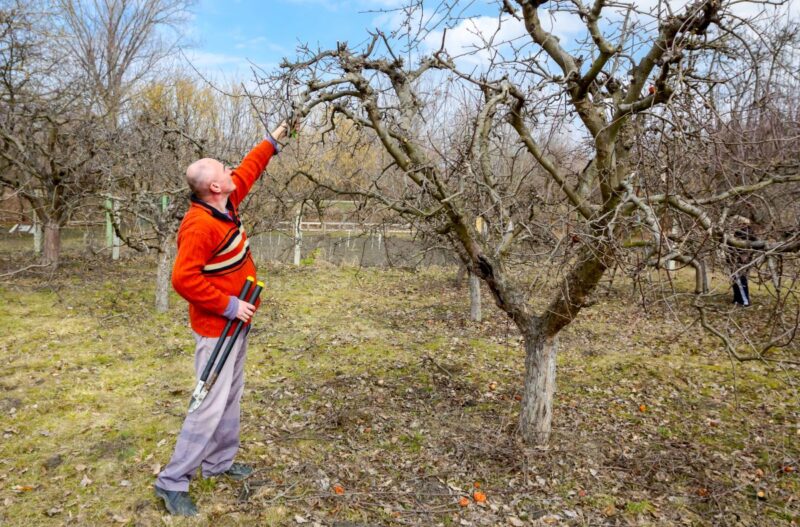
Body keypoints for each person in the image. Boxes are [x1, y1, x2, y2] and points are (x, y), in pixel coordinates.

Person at [154, 121, 290, 516]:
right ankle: (172, 481)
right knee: (208, 405)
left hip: (238, 323)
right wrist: (229, 305)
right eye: (223, 173)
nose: (231, 174)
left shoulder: (226, 204)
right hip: (218, 328)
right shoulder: (198, 225)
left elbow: (248, 169)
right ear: (214, 187)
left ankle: (218, 463)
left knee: (230, 396)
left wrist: (272, 140)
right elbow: (182, 279)